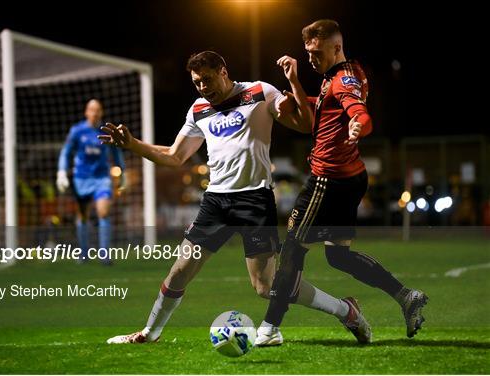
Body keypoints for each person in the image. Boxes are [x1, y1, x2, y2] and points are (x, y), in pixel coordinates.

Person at [99, 51, 371, 344]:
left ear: (223, 71)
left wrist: (292, 85)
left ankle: (346, 310)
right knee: (180, 270)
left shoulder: (259, 92)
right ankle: (149, 333)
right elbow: (175, 155)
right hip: (215, 202)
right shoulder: (199, 109)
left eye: (207, 79)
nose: (203, 87)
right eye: (196, 82)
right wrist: (134, 145)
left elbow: (305, 125)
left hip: (255, 201)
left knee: (266, 287)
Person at [256, 20, 428, 345]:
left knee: (292, 248)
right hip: (350, 177)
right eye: (307, 52)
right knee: (339, 257)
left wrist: (357, 126)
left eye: (316, 52)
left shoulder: (342, 80)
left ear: (336, 46)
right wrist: (293, 87)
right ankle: (406, 296)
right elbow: (326, 108)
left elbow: (359, 113)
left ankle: (270, 327)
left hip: (328, 179)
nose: (311, 58)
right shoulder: (343, 73)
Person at [56, 99, 126, 265]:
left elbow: (116, 154)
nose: (94, 113)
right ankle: (84, 254)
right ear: (86, 112)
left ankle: (105, 256)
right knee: (83, 216)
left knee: (103, 212)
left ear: (101, 113)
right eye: (91, 109)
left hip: (101, 178)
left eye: (97, 110)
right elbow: (66, 152)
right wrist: (61, 172)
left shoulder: (107, 131)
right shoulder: (77, 131)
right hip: (81, 178)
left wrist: (122, 172)